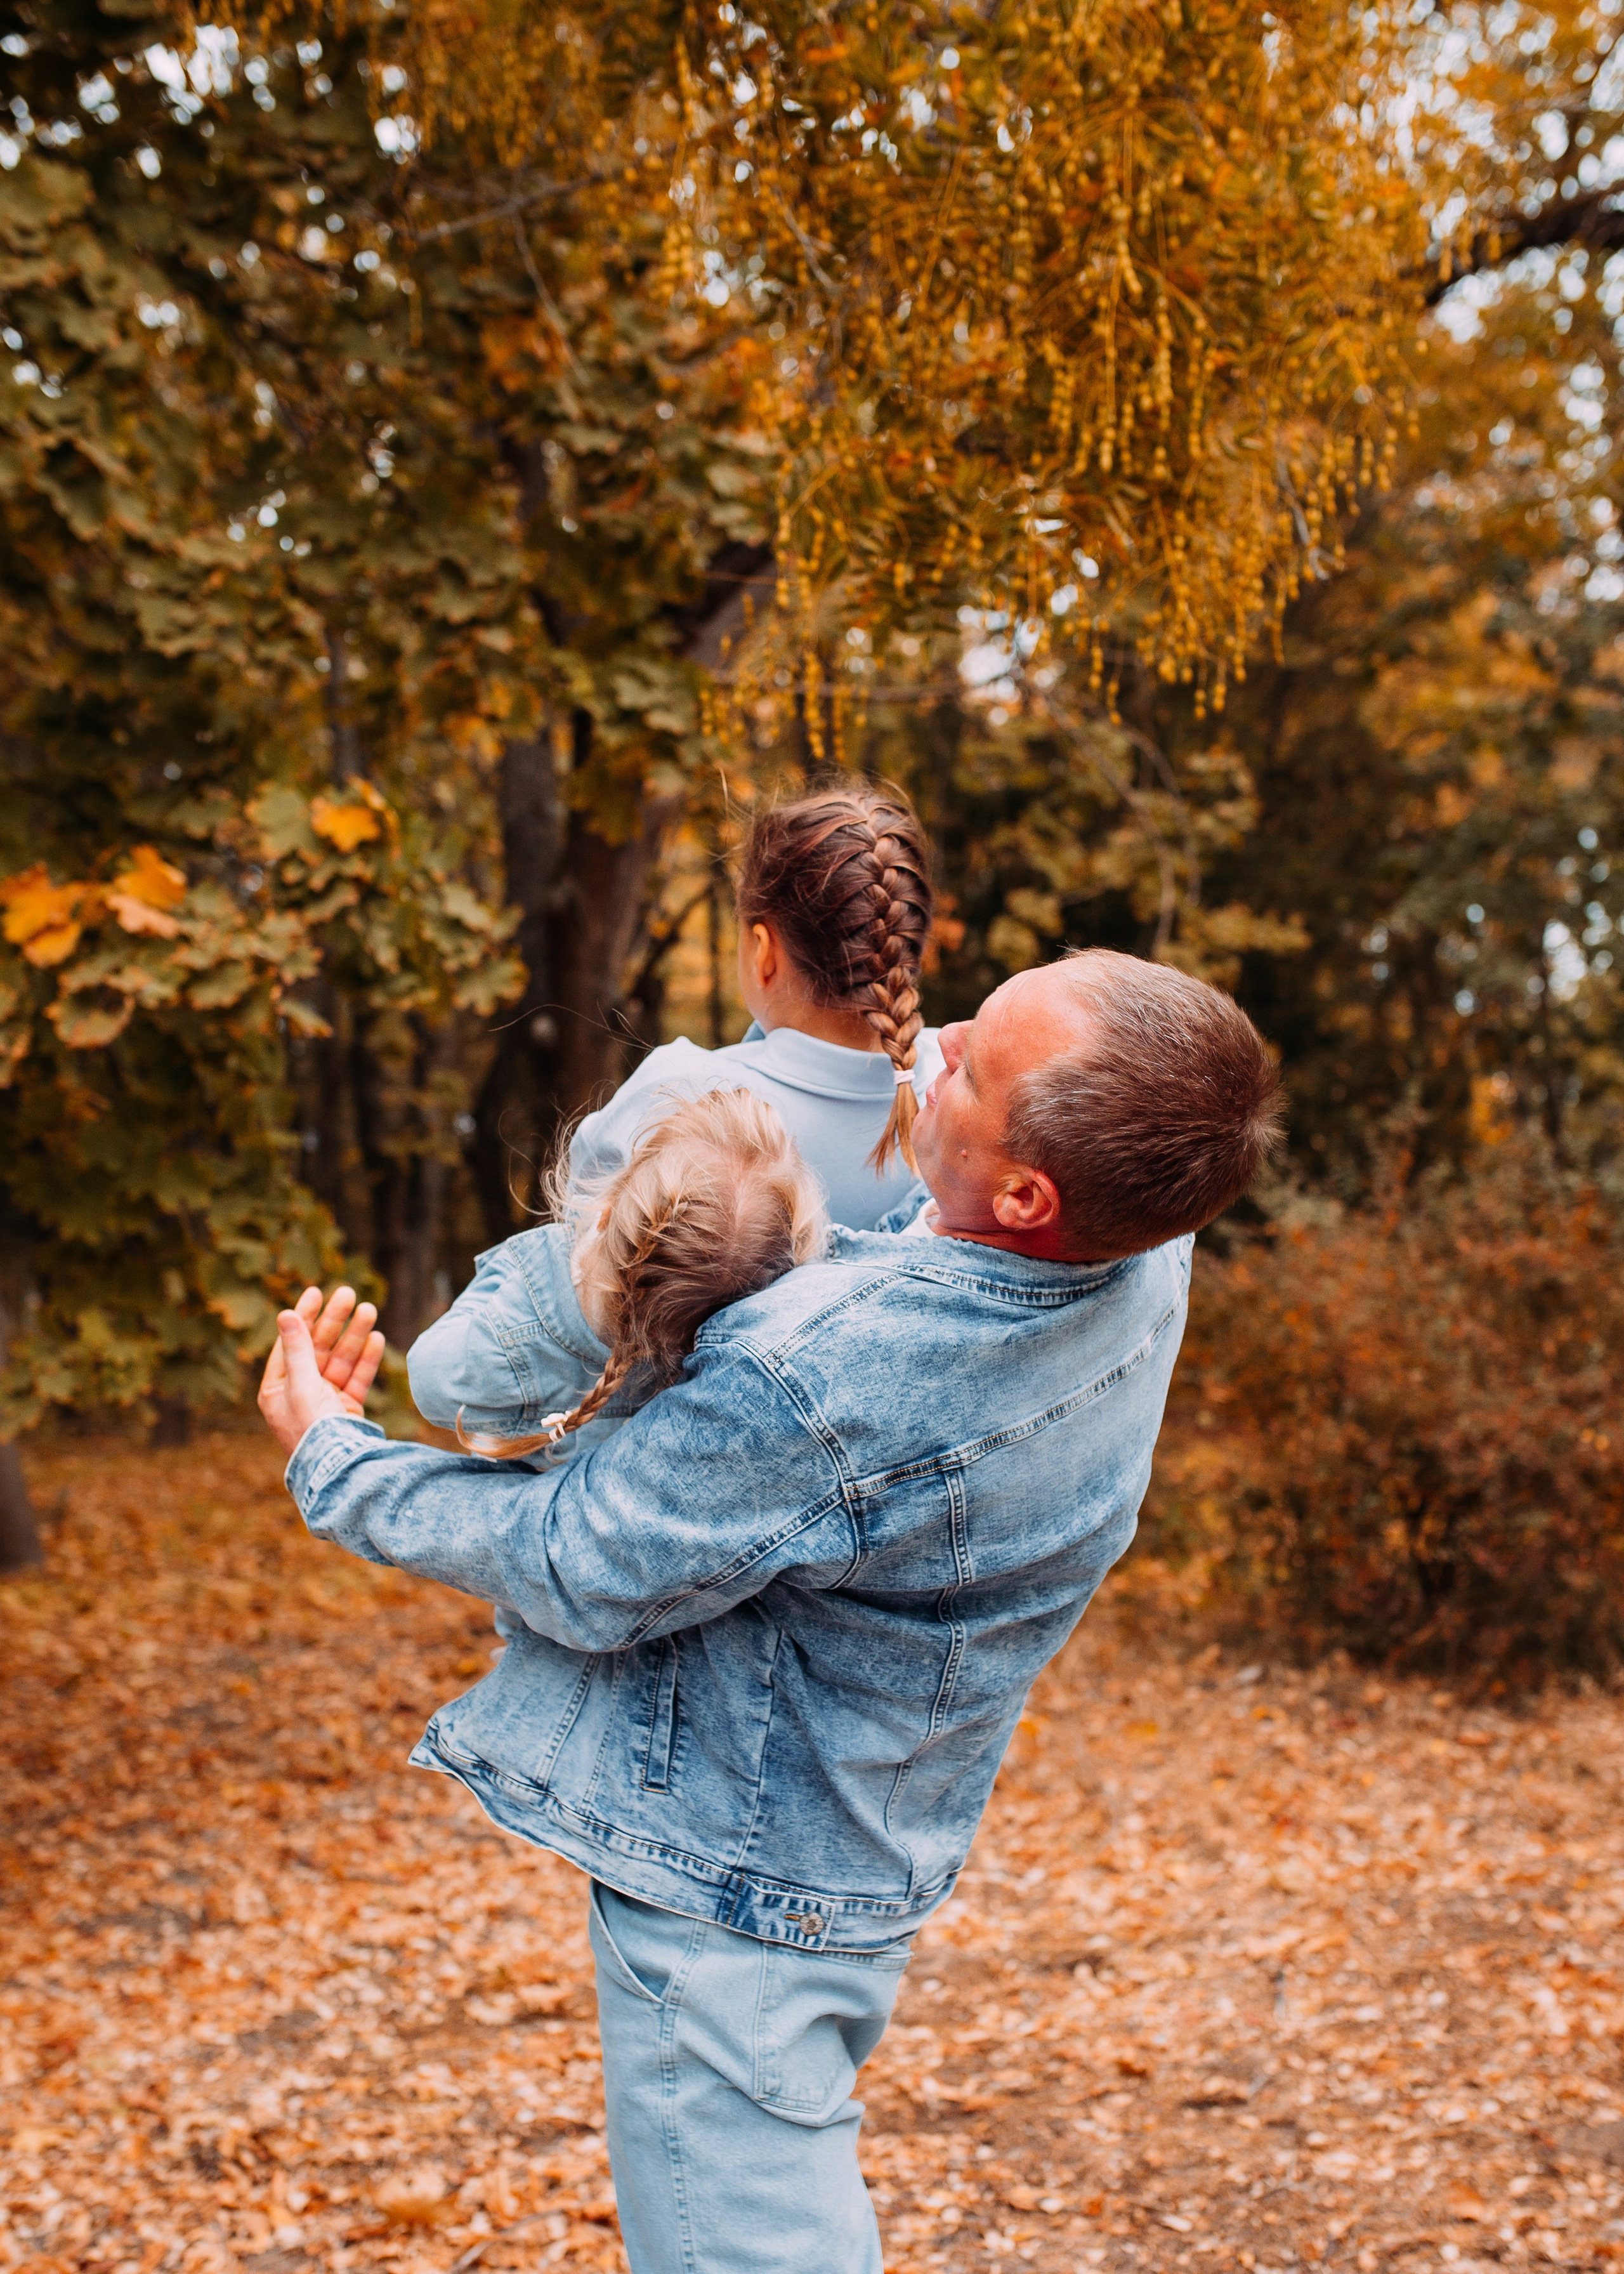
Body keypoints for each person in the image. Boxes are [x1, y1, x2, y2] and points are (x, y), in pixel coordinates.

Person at [257, 948, 1282, 2274]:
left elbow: (578, 1556)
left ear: (1028, 1190)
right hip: (868, 1832)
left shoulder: (818, 1377)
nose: (938, 1035)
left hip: (737, 1900)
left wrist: (331, 1452)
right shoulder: (1147, 1235)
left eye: (971, 1061)